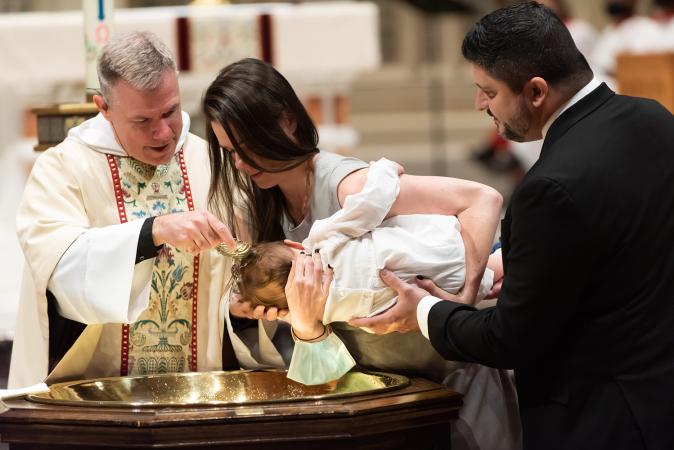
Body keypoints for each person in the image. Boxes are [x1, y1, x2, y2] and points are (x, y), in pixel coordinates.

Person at [350, 3, 674, 450]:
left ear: (536, 91)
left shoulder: (549, 188)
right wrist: (525, 262)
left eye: (489, 91)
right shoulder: (655, 118)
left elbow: (509, 341)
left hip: (603, 419)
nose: (480, 103)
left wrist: (424, 311)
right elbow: (617, 242)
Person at [204, 58, 521, 450]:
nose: (238, 163)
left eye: (247, 146)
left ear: (286, 121)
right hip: (374, 395)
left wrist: (463, 300)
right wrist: (259, 309)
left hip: (445, 378)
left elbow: (482, 200)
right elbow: (312, 332)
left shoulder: (348, 188)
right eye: (229, 151)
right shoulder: (259, 207)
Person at [8, 31, 245, 389]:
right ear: (103, 107)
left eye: (170, 112)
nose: (163, 132)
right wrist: (152, 232)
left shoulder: (207, 160)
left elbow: (234, 270)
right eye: (143, 121)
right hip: (94, 399)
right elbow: (60, 275)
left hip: (198, 392)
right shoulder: (63, 168)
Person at [227, 158, 502, 384]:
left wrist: (294, 319)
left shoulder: (320, 311)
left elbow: (318, 371)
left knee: (488, 276)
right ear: (294, 244)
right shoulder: (322, 241)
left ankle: (492, 274)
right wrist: (385, 170)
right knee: (500, 263)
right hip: (437, 247)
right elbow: (367, 207)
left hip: (438, 290)